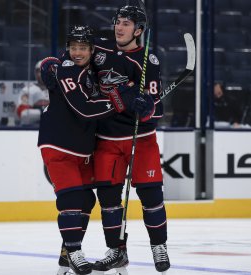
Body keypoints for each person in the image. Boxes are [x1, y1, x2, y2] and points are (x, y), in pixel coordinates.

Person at [38, 25, 147, 275]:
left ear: (91, 49)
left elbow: (114, 66)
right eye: (73, 48)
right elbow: (85, 109)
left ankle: (68, 257)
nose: (77, 53)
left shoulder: (91, 70)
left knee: (87, 199)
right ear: (68, 49)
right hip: (58, 144)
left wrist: (132, 96)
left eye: (83, 48)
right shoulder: (66, 70)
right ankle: (74, 253)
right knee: (72, 199)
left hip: (82, 148)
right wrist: (122, 102)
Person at [91, 5, 170, 274]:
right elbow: (75, 59)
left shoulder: (149, 61)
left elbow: (157, 110)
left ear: (138, 30)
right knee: (109, 199)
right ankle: (116, 251)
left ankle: (159, 246)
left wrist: (145, 107)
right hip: (106, 140)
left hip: (142, 139)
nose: (119, 27)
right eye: (117, 22)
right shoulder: (99, 51)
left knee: (151, 196)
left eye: (126, 23)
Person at [16, 59, 50, 125]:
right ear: (35, 73)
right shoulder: (27, 90)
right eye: (39, 71)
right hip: (31, 129)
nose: (41, 74)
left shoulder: (58, 90)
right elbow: (23, 113)